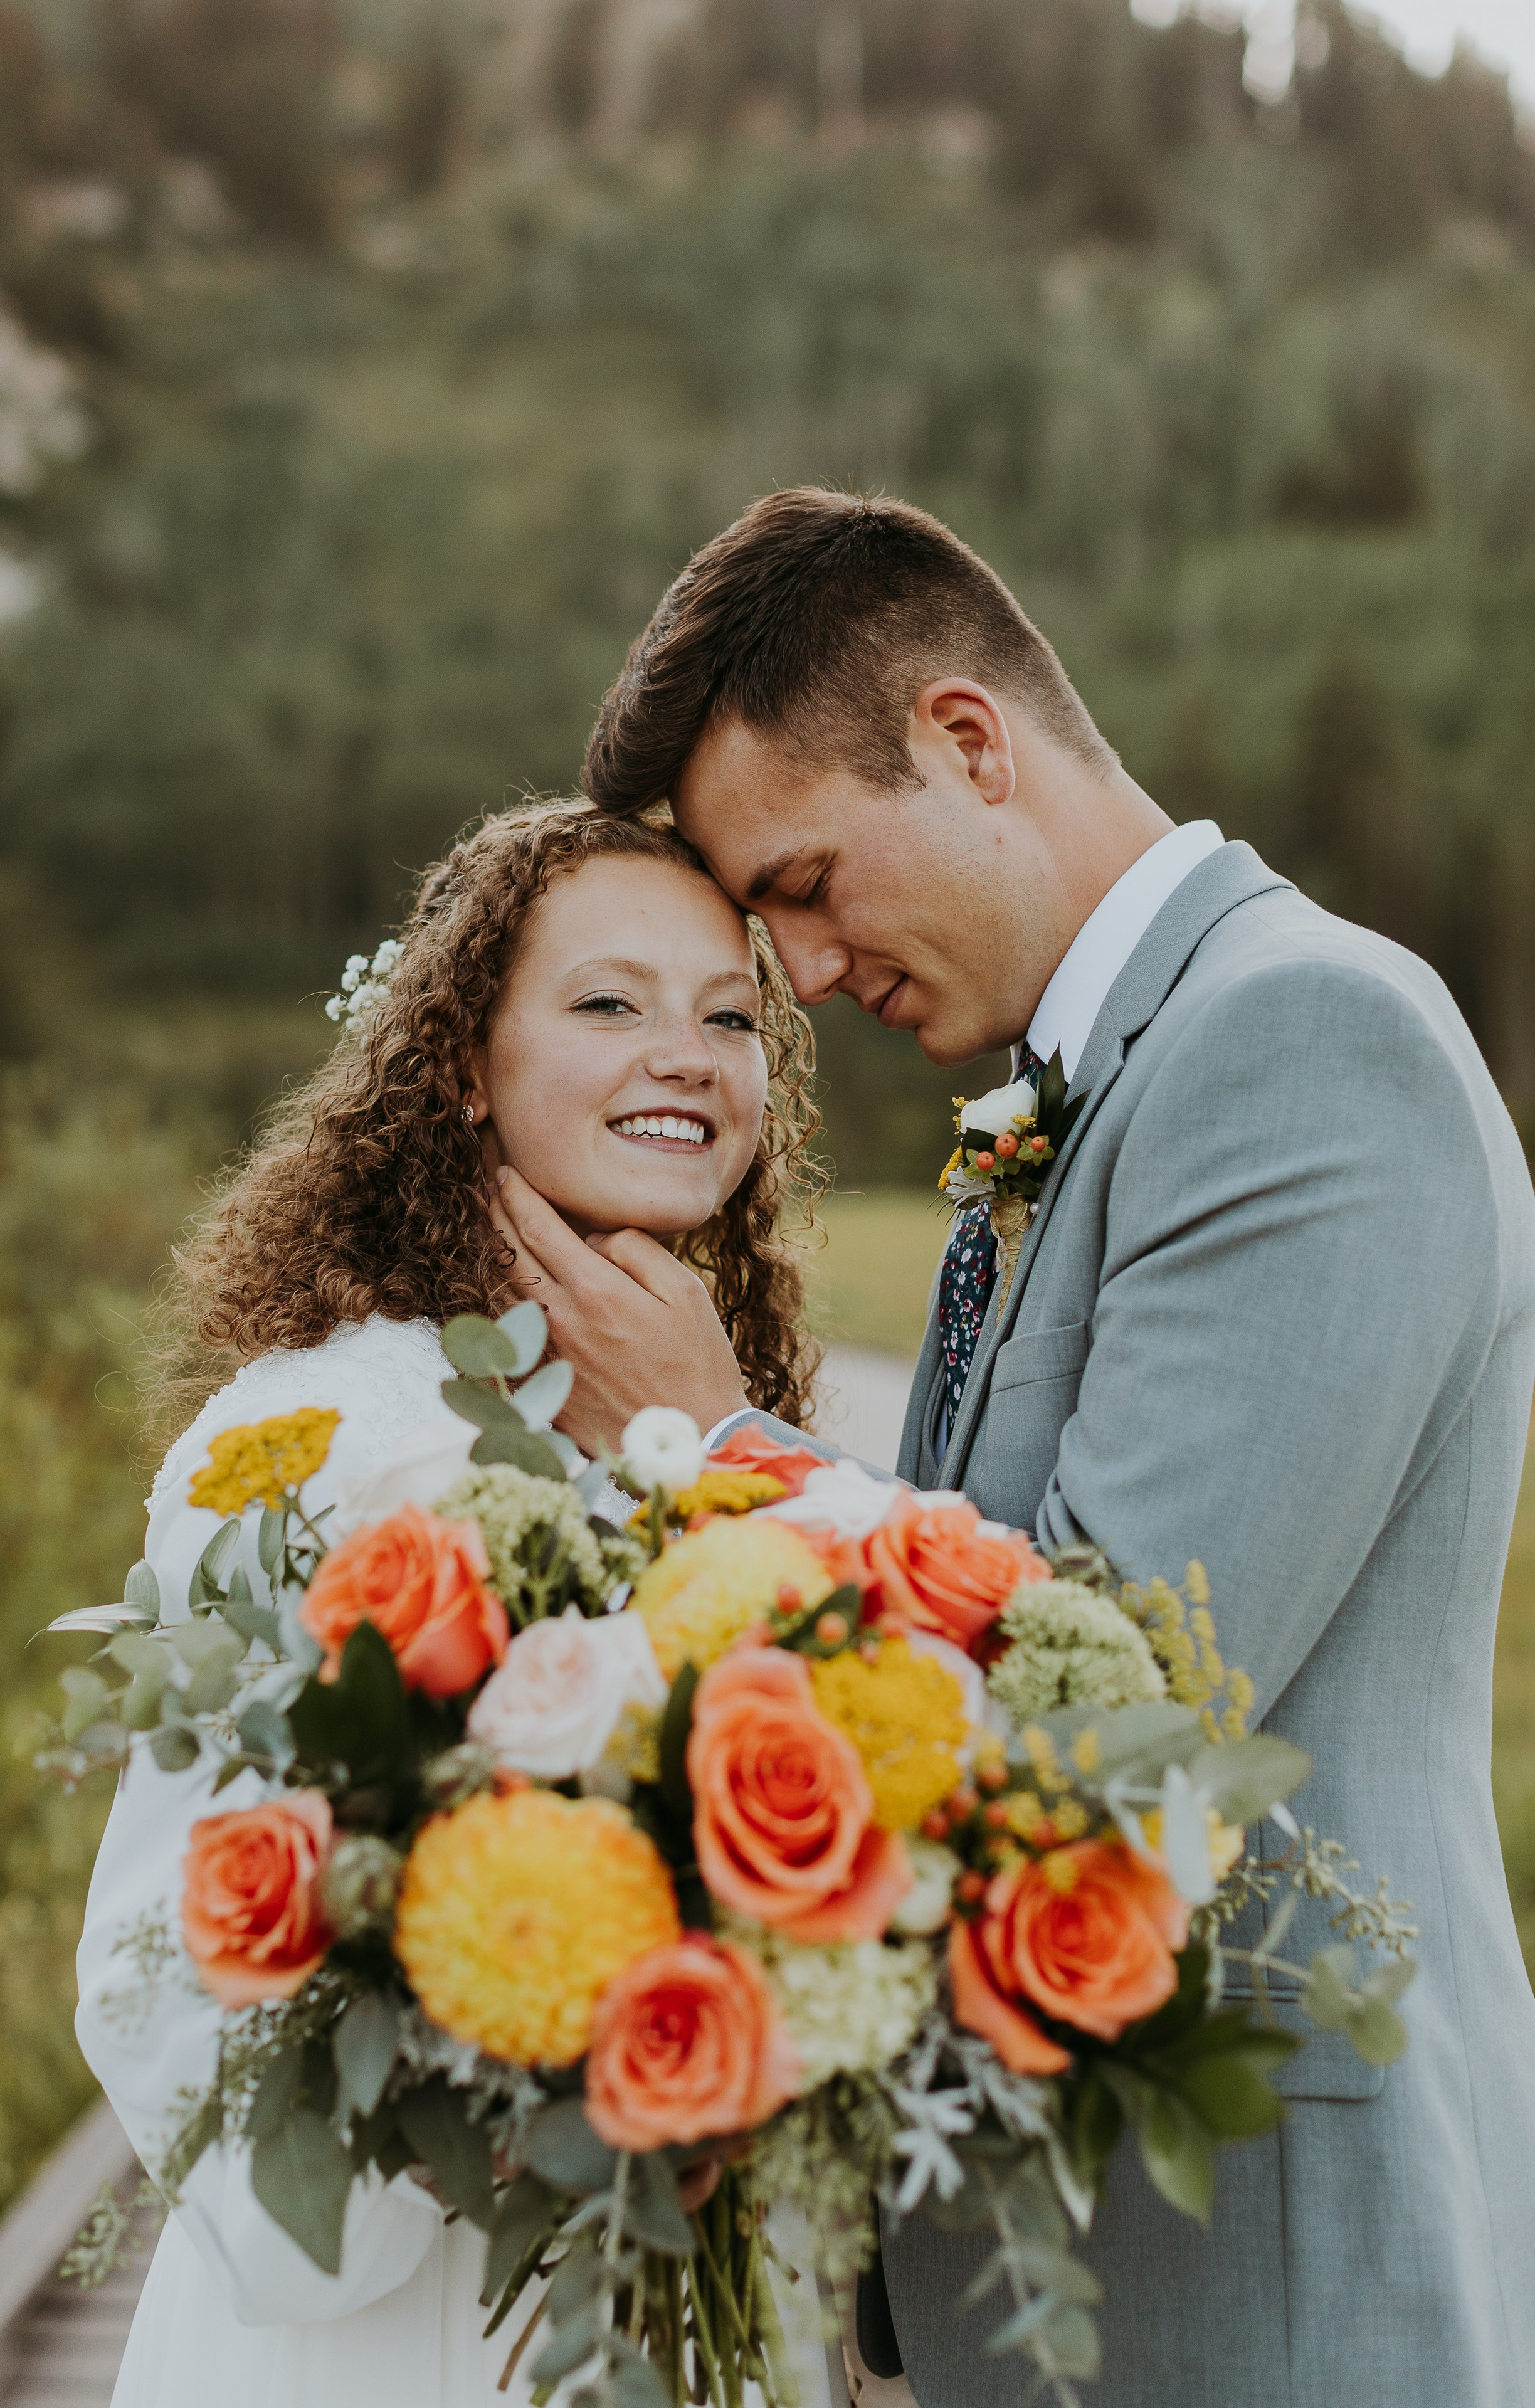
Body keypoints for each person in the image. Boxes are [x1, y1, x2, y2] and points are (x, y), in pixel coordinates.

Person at [490, 488, 1535, 2408]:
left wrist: (712, 1439)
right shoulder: (1074, 1095)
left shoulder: (1304, 1041)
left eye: (805, 883)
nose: (796, 974)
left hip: (1269, 2268)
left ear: (969, 742)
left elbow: (1110, 1687)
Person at [75, 799, 832, 2408]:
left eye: (728, 1016)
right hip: (403, 2337)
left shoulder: (717, 1417)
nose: (687, 1055)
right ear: (458, 1066)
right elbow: (166, 1943)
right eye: (610, 1004)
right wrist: (513, 2119)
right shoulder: (316, 1436)